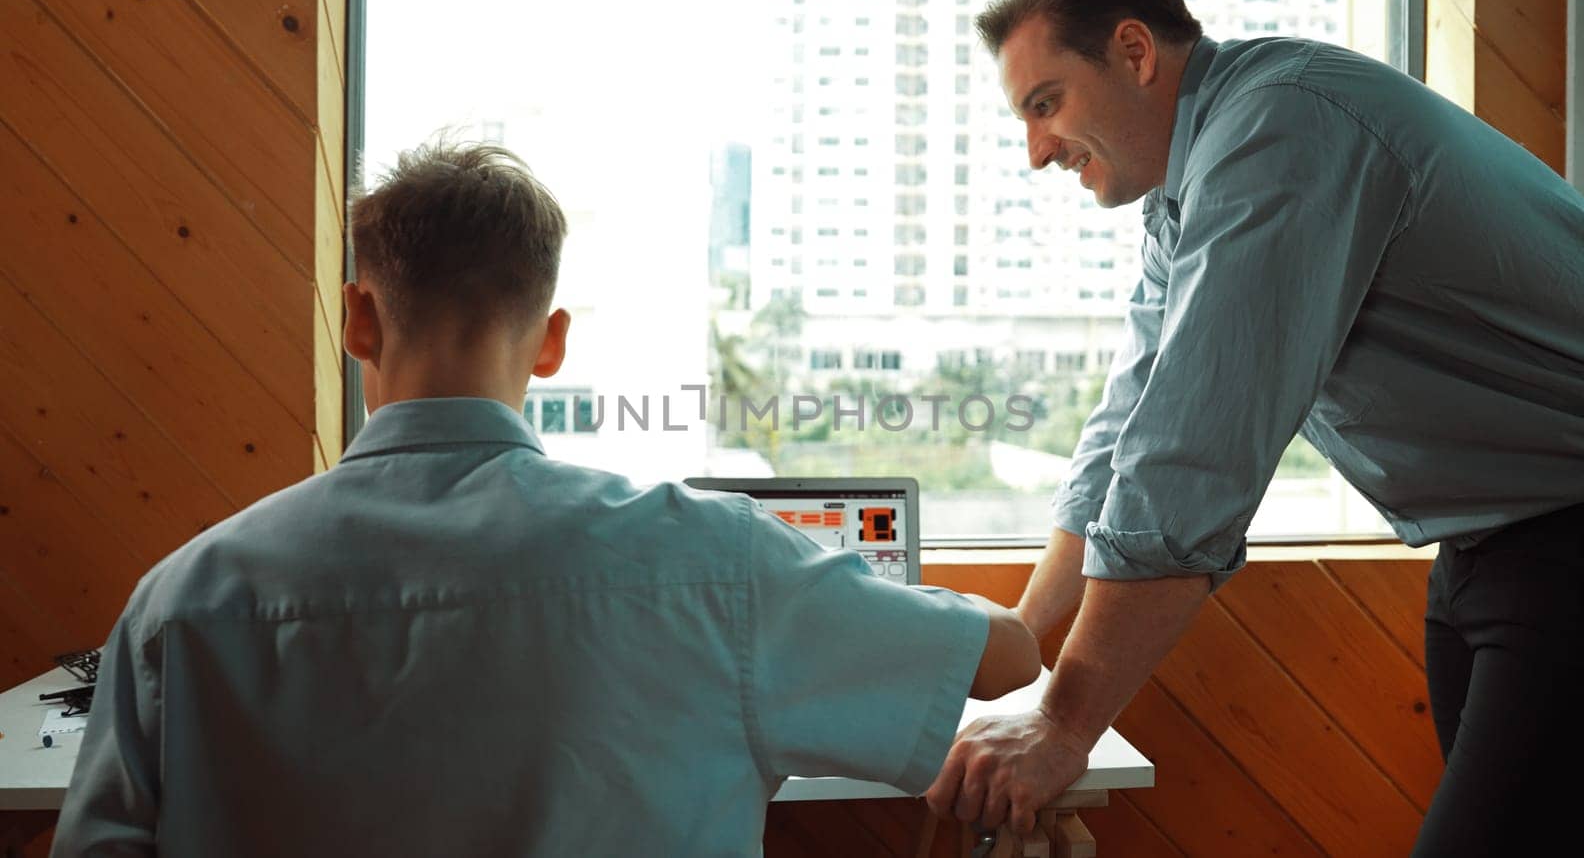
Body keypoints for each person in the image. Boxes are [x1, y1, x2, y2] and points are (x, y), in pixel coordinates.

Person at [52, 140, 1041, 857]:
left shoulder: (176, 606)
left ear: (359, 318)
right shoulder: (718, 565)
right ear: (552, 341)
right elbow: (1007, 660)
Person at [923, 0, 1584, 854]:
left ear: (1133, 51)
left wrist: (1061, 725)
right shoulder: (1188, 190)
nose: (1037, 149)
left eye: (1046, 103)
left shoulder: (1281, 130)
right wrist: (1024, 631)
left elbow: (1189, 464)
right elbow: (1125, 432)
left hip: (1575, 537)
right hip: (1484, 547)